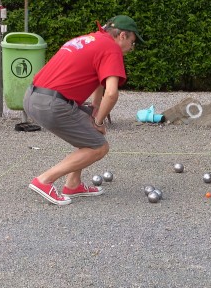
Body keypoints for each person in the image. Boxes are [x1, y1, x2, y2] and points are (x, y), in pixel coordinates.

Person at [23, 15, 143, 205]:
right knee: (99, 146)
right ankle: (44, 180)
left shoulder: (90, 40)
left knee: (86, 126)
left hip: (33, 97)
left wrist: (95, 110)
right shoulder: (112, 49)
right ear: (122, 35)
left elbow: (99, 81)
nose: (131, 48)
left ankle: (73, 184)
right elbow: (112, 94)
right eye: (132, 42)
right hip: (52, 105)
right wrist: (99, 122)